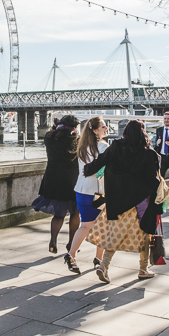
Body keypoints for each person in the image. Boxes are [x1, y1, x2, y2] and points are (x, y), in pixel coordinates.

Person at [84, 119, 161, 283]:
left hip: (117, 201)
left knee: (115, 236)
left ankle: (104, 266)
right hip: (141, 203)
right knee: (145, 234)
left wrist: (86, 170)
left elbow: (100, 161)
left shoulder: (116, 147)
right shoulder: (148, 153)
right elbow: (154, 180)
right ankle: (143, 268)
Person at [64, 116, 109, 274]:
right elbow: (105, 169)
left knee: (84, 226)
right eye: (103, 127)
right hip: (98, 192)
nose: (106, 129)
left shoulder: (82, 146)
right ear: (95, 130)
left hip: (81, 190)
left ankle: (72, 255)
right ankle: (97, 259)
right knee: (103, 227)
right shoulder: (103, 147)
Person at [32, 115, 81, 254]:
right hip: (72, 181)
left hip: (54, 180)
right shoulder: (76, 140)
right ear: (74, 127)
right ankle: (71, 243)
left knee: (58, 215)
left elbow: (52, 132)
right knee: (75, 213)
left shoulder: (50, 138)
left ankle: (53, 239)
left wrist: (56, 126)